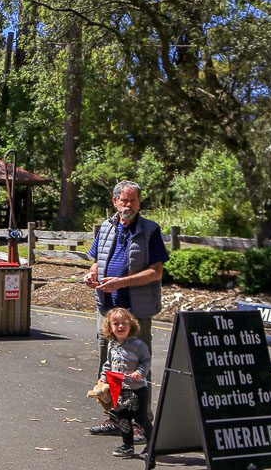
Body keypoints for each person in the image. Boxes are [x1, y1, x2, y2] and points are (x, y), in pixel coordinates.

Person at [83, 180, 168, 438]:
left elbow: (156, 272)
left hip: (136, 311)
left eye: (133, 200)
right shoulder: (106, 228)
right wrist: (91, 274)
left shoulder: (150, 230)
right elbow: (97, 262)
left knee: (138, 366)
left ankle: (142, 424)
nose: (128, 205)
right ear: (115, 202)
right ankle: (115, 419)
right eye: (123, 200)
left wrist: (121, 282)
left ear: (139, 203)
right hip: (107, 311)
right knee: (108, 367)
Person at [97, 307, 153, 458]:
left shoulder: (138, 345)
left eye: (124, 323)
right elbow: (108, 364)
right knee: (123, 418)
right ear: (110, 327)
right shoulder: (112, 345)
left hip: (137, 389)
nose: (120, 327)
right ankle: (128, 446)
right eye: (116, 324)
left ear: (131, 325)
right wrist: (103, 377)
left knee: (140, 418)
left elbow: (146, 361)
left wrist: (140, 372)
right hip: (118, 388)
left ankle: (152, 444)